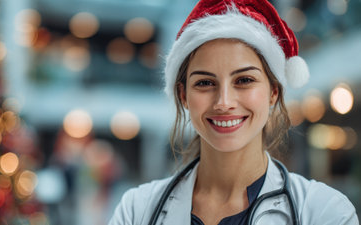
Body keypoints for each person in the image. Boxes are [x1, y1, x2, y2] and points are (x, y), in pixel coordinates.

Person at [109, 0, 359, 224]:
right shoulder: (136, 210)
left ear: (273, 91)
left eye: (244, 80)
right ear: (183, 95)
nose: (223, 102)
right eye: (205, 83)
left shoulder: (326, 212)